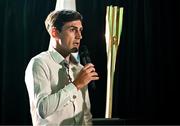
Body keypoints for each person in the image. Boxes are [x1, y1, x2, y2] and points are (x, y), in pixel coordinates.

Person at [25, 9, 99, 126]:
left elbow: (85, 114)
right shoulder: (39, 63)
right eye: (73, 30)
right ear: (54, 32)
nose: (79, 36)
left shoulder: (79, 68)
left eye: (80, 30)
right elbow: (43, 109)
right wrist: (76, 85)